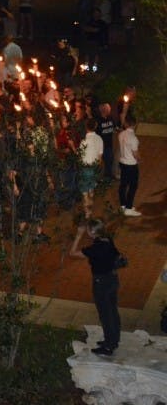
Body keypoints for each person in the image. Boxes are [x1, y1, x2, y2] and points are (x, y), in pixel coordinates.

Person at [69, 219, 122, 356]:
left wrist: (78, 235)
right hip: (113, 279)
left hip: (101, 282)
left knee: (105, 314)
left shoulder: (95, 248)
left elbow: (72, 253)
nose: (86, 231)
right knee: (113, 311)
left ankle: (109, 346)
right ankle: (113, 340)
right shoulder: (107, 240)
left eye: (87, 230)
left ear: (92, 232)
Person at [118, 115, 140, 217]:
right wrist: (140, 159)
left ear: (126, 124)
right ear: (134, 125)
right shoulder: (134, 138)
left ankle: (123, 205)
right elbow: (135, 154)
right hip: (131, 164)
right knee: (133, 186)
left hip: (122, 162)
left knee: (123, 185)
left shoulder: (121, 134)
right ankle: (129, 207)